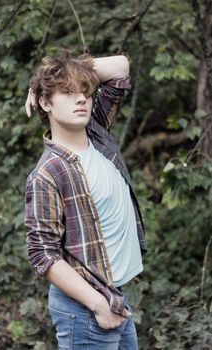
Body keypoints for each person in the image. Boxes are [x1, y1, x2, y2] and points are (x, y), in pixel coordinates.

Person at [24, 51, 147, 350]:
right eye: (67, 92)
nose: (81, 99)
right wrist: (98, 305)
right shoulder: (48, 173)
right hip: (86, 308)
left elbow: (120, 66)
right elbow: (42, 254)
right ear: (45, 103)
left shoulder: (97, 133)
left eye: (85, 91)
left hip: (113, 294)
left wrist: (61, 74)